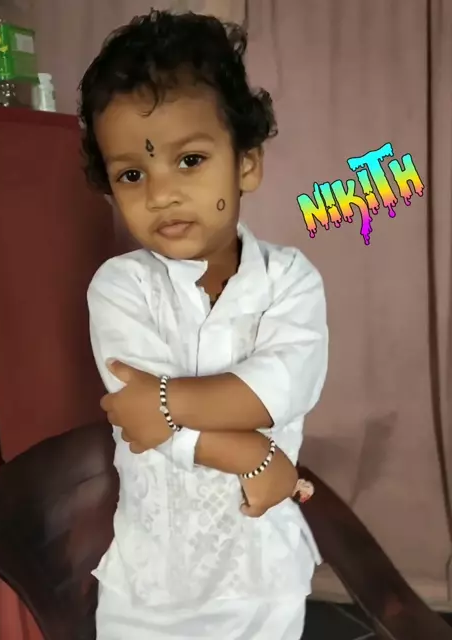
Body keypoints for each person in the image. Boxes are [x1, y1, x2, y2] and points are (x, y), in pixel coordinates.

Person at [79, 8, 328, 640]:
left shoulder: (290, 280)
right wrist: (250, 451)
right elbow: (136, 419)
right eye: (132, 174)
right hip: (151, 588)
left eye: (189, 160)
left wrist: (165, 403)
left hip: (263, 572)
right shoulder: (121, 287)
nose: (160, 193)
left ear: (246, 164)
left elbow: (278, 390)